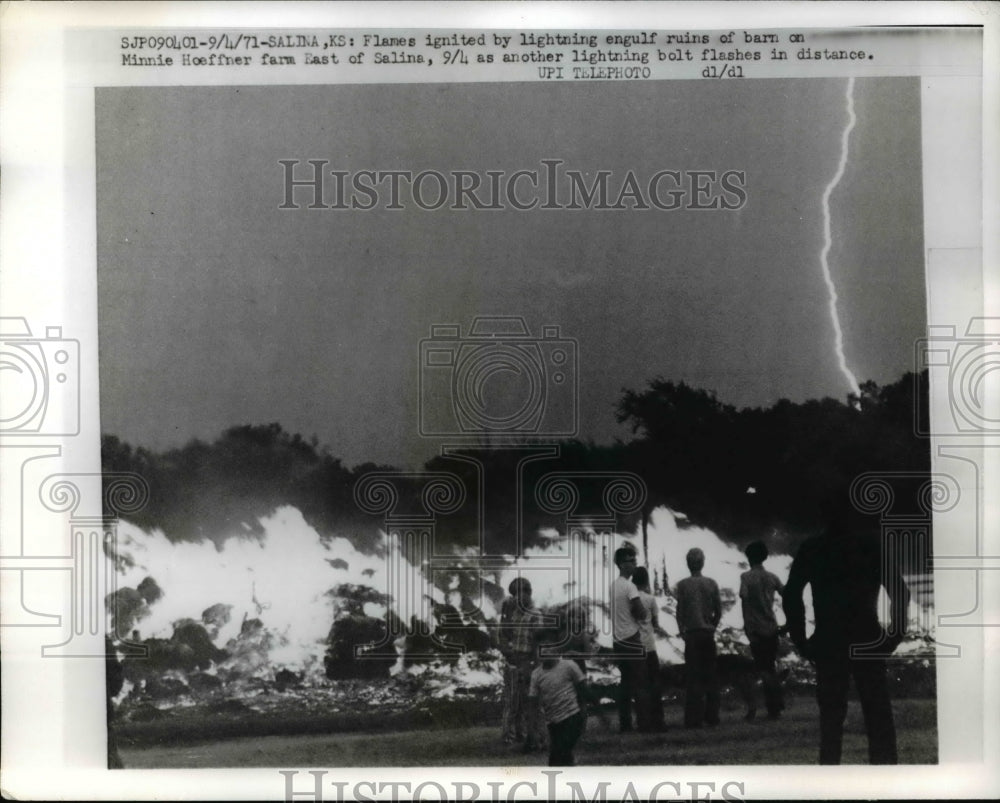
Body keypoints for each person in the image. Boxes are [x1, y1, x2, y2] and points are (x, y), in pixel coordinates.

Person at [782, 505, 910, 765]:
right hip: (868, 638)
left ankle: (831, 777)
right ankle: (886, 780)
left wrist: (801, 640)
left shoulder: (813, 548)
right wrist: (893, 637)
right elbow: (900, 591)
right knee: (878, 718)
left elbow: (792, 595)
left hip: (830, 640)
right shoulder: (870, 545)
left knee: (830, 720)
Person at [674, 547, 722, 728]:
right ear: (703, 562)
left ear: (688, 564)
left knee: (693, 677)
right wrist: (713, 626)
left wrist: (682, 632)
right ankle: (712, 716)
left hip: (692, 635)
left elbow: (679, 612)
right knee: (710, 675)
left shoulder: (683, 585)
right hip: (707, 633)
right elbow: (718, 610)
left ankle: (693, 719)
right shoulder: (711, 583)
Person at [497, 577, 546, 751]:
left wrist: (535, 664)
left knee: (533, 702)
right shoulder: (515, 612)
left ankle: (538, 739)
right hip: (516, 660)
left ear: (528, 593)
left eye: (518, 595)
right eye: (514, 596)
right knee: (517, 702)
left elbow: (538, 642)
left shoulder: (535, 615)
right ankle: (521, 736)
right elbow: (506, 633)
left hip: (529, 662)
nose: (516, 599)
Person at [739, 540, 785, 720]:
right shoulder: (773, 577)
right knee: (770, 667)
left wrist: (747, 627)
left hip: (756, 628)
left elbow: (744, 601)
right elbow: (786, 595)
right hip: (772, 627)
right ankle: (776, 705)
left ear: (749, 558)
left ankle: (773, 706)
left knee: (763, 669)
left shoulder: (746, 577)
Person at [611, 546, 652, 732]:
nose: (635, 563)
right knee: (641, 683)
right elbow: (641, 613)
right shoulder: (630, 586)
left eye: (634, 560)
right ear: (621, 564)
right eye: (631, 560)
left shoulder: (613, 585)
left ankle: (625, 723)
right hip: (632, 638)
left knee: (625, 684)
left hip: (618, 640)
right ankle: (644, 722)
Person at [528, 643, 589, 766]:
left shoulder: (569, 666)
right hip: (553, 723)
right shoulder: (536, 674)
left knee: (558, 755)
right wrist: (533, 730)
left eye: (548, 650)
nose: (545, 654)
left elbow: (584, 690)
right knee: (561, 757)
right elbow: (533, 702)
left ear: (555, 651)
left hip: (572, 717)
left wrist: (585, 713)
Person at [631, 566, 666, 731]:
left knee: (640, 686)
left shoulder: (629, 600)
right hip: (650, 646)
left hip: (636, 646)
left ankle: (643, 722)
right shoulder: (650, 599)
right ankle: (658, 721)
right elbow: (656, 624)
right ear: (646, 581)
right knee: (654, 684)